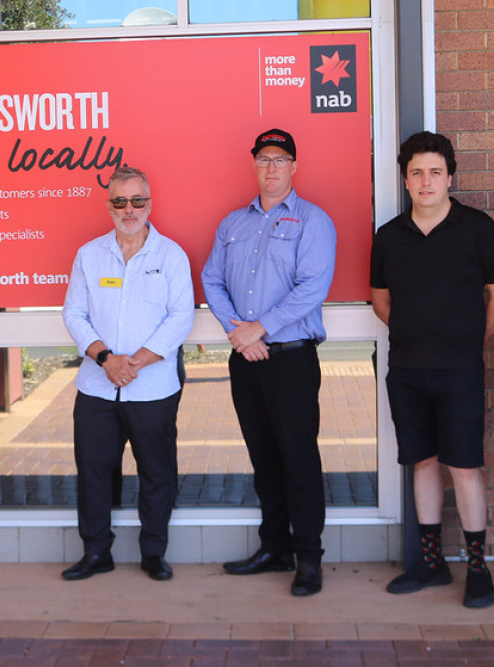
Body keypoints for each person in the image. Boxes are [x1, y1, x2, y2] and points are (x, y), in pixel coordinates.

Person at [370, 131, 494, 608]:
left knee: (465, 467)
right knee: (424, 462)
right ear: (406, 180)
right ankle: (431, 563)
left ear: (449, 176)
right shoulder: (389, 236)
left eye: (435, 172)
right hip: (408, 370)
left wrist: (469, 340)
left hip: (460, 372)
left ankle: (478, 568)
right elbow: (381, 300)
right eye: (416, 173)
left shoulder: (477, 227)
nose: (425, 181)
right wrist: (417, 332)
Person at [201, 128, 336, 597]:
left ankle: (309, 559)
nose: (272, 167)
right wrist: (238, 332)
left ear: (294, 167)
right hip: (247, 360)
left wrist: (259, 328)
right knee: (264, 460)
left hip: (291, 361)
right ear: (254, 164)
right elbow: (211, 280)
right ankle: (274, 547)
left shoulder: (313, 221)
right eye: (263, 158)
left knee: (298, 459)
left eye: (280, 159)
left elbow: (312, 289)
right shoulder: (233, 224)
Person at [61, 165, 193, 582]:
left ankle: (153, 553)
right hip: (97, 387)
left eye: (137, 201)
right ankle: (96, 552)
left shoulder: (171, 255)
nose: (129, 209)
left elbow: (181, 317)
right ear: (109, 205)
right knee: (94, 473)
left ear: (149, 204)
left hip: (152, 386)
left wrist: (134, 361)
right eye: (120, 201)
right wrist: (107, 360)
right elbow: (74, 313)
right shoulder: (89, 254)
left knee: (157, 473)